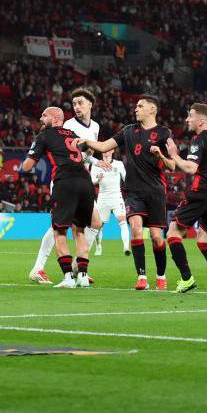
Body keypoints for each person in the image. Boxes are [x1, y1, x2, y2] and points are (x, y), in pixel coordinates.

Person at [80, 95, 177, 291]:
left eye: (140, 106)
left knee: (157, 237)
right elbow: (104, 146)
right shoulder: (128, 131)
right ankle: (142, 277)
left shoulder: (164, 133)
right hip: (133, 192)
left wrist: (160, 155)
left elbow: (173, 165)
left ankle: (160, 276)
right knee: (136, 230)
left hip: (156, 191)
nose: (136, 109)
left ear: (152, 110)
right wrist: (86, 141)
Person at [29, 88, 104, 285]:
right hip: (65, 179)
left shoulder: (94, 126)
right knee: (63, 225)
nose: (77, 107)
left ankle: (78, 267)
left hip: (81, 179)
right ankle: (43, 267)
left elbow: (85, 152)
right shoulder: (68, 126)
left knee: (90, 223)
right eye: (74, 104)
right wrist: (96, 161)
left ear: (90, 104)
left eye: (80, 103)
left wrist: (95, 161)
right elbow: (71, 152)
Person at [152, 103, 207, 293]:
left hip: (201, 193)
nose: (187, 119)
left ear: (201, 121)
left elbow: (191, 168)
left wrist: (174, 155)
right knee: (203, 240)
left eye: (190, 116)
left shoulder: (199, 139)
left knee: (173, 233)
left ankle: (186, 279)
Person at [90, 150, 130, 257]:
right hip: (103, 198)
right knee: (99, 225)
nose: (105, 152)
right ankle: (98, 245)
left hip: (117, 196)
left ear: (112, 150)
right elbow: (91, 180)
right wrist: (98, 179)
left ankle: (126, 247)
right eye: (103, 150)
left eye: (108, 149)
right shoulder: (96, 165)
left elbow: (126, 178)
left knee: (122, 220)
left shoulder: (119, 164)